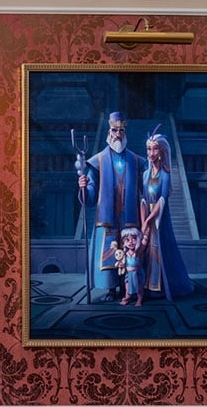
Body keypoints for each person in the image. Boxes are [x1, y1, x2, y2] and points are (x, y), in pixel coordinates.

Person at [78, 111, 147, 302]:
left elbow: (145, 189)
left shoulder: (135, 160)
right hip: (107, 217)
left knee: (131, 253)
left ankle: (129, 290)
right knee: (108, 252)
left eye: (121, 130)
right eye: (114, 130)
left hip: (129, 217)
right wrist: (84, 187)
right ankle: (110, 289)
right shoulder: (98, 161)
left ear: (125, 132)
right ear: (109, 132)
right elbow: (91, 194)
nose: (117, 134)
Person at [140, 133, 194, 301]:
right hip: (147, 216)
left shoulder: (165, 174)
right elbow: (143, 199)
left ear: (162, 151)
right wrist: (143, 221)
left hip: (159, 218)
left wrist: (149, 220)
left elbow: (162, 200)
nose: (151, 153)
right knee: (146, 250)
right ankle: (146, 286)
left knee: (159, 249)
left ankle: (159, 288)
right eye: (149, 149)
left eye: (155, 149)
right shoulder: (145, 174)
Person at [118, 227, 145, 307]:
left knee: (139, 288)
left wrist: (146, 233)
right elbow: (124, 263)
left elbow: (144, 242)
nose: (131, 242)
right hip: (128, 274)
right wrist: (121, 265)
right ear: (124, 243)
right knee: (128, 288)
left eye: (133, 239)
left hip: (137, 274)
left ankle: (139, 299)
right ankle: (127, 298)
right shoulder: (125, 254)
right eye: (127, 240)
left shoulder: (138, 252)